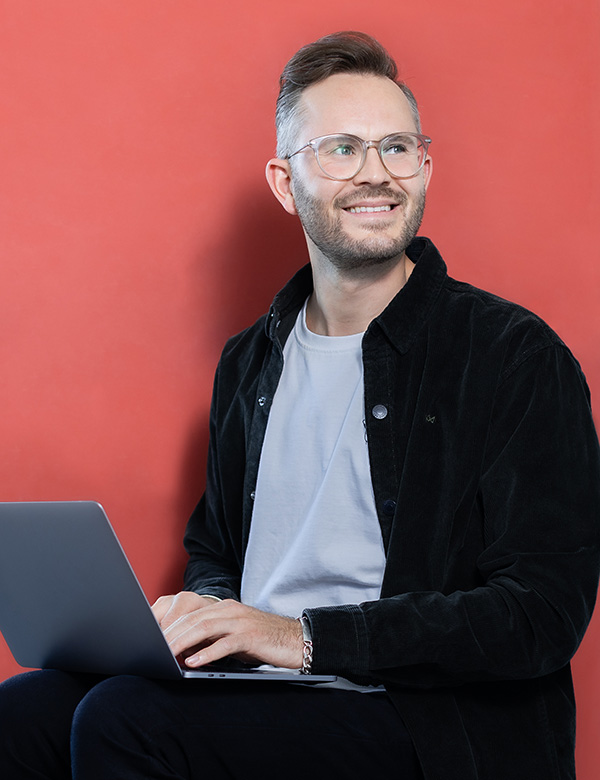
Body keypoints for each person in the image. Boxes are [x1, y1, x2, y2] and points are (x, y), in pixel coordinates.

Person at [1, 30, 599, 780]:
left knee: (129, 721)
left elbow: (540, 614)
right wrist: (206, 617)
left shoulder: (514, 356)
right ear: (286, 183)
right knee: (24, 714)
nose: (376, 172)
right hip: (260, 689)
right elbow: (216, 553)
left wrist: (303, 638)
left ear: (425, 166)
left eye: (397, 147)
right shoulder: (249, 362)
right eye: (341, 148)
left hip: (421, 717)